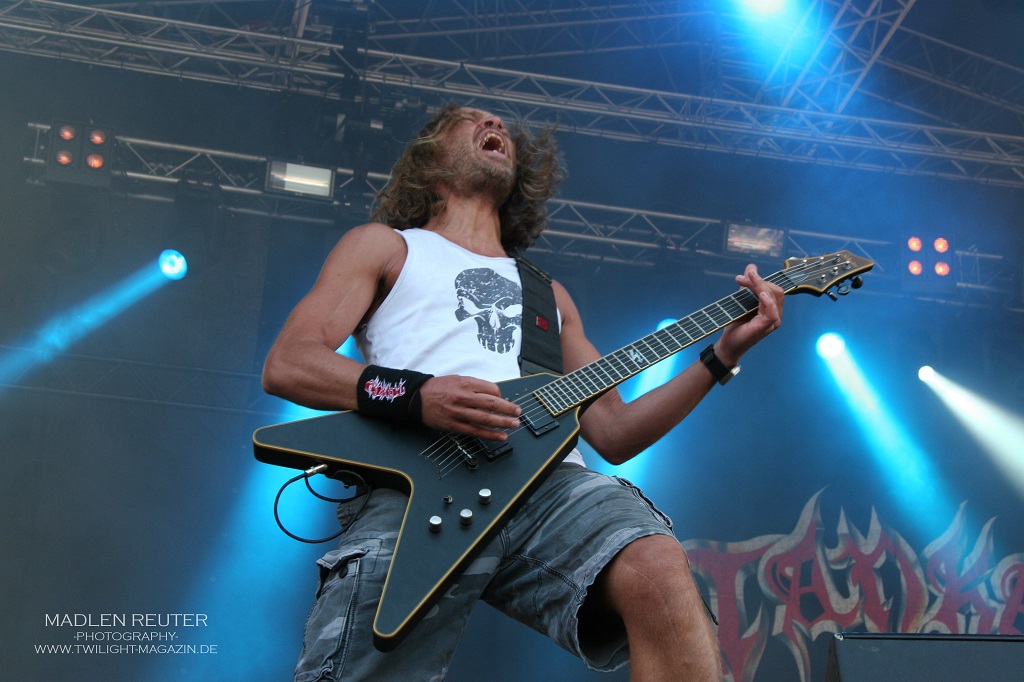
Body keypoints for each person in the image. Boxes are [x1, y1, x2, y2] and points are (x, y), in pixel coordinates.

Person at [261, 102, 784, 681]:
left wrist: (721, 356)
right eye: (470, 119)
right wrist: (418, 395)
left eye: (502, 125)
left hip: (550, 484)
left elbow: (614, 432)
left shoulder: (549, 295)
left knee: (657, 564)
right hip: (416, 479)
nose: (495, 126)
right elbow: (290, 363)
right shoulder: (386, 246)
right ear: (430, 162)